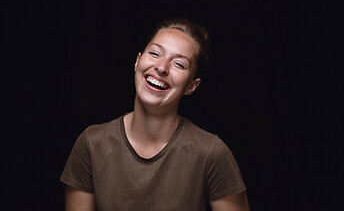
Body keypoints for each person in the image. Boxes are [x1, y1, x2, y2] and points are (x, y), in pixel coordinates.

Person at [60, 18, 250, 211]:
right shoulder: (91, 144)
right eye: (155, 53)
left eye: (179, 64)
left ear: (192, 86)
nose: (161, 67)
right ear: (137, 61)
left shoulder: (211, 153)